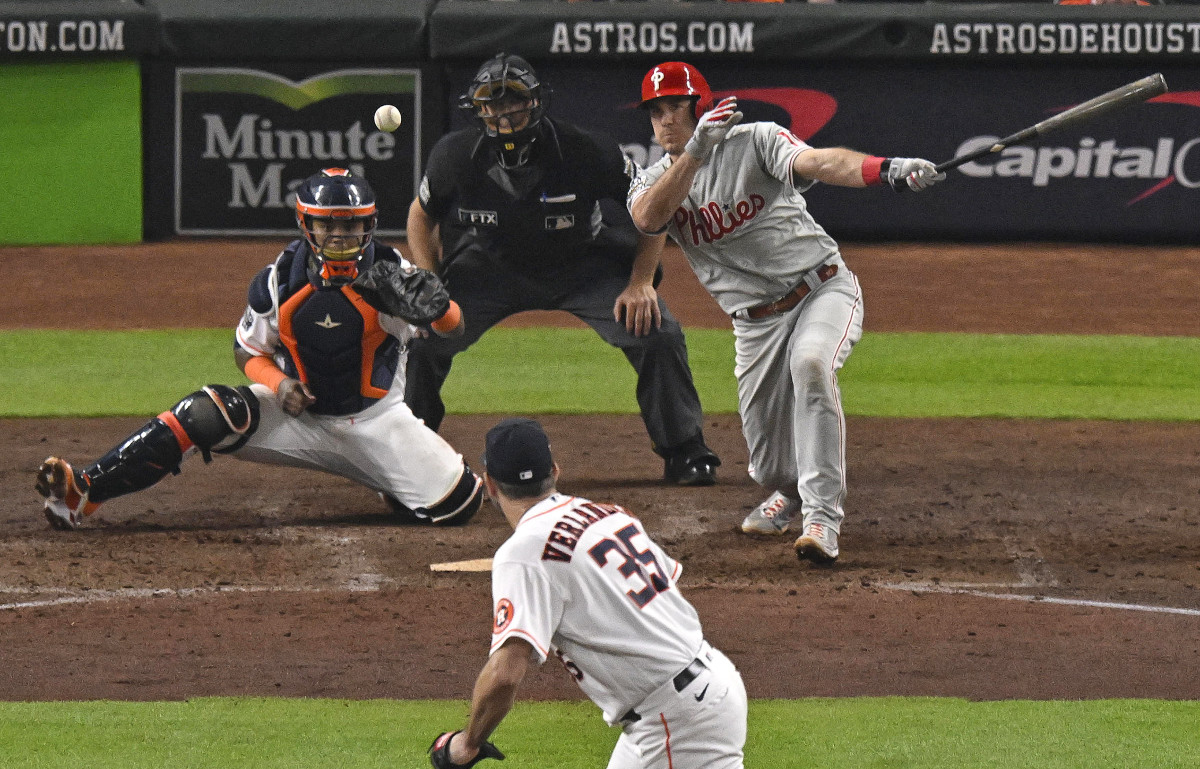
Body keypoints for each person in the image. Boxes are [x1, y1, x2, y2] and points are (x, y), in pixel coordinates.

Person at [35, 167, 483, 530]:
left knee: (459, 505)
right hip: (299, 420)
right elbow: (246, 350)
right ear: (307, 224)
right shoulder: (280, 279)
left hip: (376, 423)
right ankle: (84, 490)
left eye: (351, 224)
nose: (341, 235)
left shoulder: (392, 275)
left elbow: (452, 331)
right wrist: (280, 382)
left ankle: (391, 482)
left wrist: (440, 310)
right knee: (204, 412)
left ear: (369, 224)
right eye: (328, 224)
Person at [627, 62, 944, 567]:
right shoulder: (653, 179)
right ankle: (790, 492)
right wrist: (696, 151)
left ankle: (822, 518)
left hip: (822, 288)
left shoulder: (757, 140)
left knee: (813, 364)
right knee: (771, 467)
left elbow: (821, 162)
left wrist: (887, 168)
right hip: (755, 324)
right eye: (656, 112)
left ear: (704, 107)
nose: (665, 121)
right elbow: (649, 218)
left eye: (676, 108)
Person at [429, 418, 758, 769]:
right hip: (696, 685)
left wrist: (467, 743)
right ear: (556, 472)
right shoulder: (606, 514)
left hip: (677, 716)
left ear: (490, 484)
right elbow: (665, 582)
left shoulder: (522, 552)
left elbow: (506, 672)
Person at [405, 52, 720, 486]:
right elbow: (421, 215)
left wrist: (641, 281)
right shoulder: (454, 154)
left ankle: (685, 449)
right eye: (491, 104)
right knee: (421, 340)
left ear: (534, 102)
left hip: (581, 265)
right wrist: (430, 281)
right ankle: (407, 456)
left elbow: (651, 208)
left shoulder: (585, 149)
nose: (502, 113)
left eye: (512, 100)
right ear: (477, 110)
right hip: (486, 269)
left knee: (658, 331)